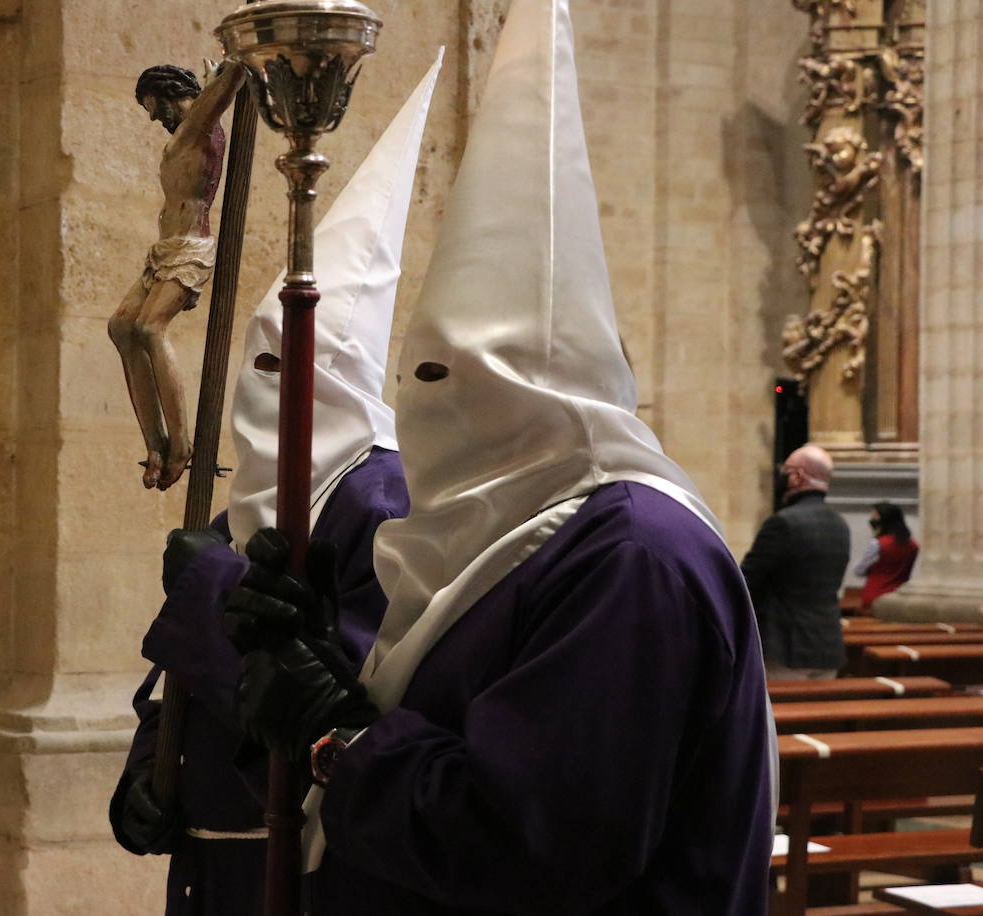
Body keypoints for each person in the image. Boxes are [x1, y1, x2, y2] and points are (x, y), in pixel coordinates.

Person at [222, 3, 775, 912]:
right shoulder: (496, 536)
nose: (433, 404)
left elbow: (536, 846)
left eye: (467, 377)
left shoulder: (628, 555)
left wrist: (331, 734)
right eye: (421, 373)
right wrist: (299, 655)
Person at [108, 54, 443, 915]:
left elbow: (348, 689)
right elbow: (179, 682)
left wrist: (212, 588)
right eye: (258, 359)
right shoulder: (240, 508)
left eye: (284, 362)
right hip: (213, 859)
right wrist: (149, 770)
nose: (265, 382)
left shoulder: (380, 500)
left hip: (303, 860)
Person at [109, 61, 247, 491]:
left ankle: (182, 444)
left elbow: (232, 81)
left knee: (150, 329)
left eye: (154, 107)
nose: (153, 118)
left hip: (190, 248)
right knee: (121, 327)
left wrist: (233, 60)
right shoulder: (190, 128)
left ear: (170, 94)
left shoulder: (200, 125)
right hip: (164, 249)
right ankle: (156, 442)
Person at [742, 444, 850, 679]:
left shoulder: (782, 523)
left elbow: (747, 583)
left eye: (786, 470)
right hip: (828, 646)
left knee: (780, 714)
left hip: (786, 648)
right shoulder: (840, 524)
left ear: (797, 477)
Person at [853, 501, 919, 609]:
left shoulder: (878, 544)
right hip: (900, 597)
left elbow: (858, 570)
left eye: (874, 516)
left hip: (876, 596)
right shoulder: (913, 545)